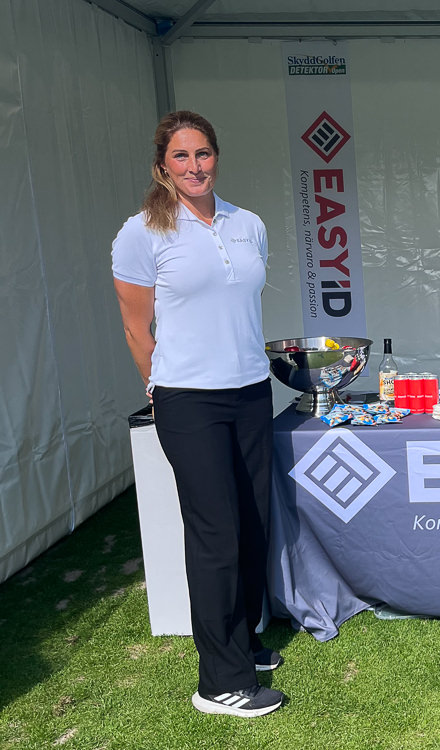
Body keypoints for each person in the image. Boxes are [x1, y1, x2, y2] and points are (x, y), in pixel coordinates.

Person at [112, 111, 284, 716]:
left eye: (203, 153)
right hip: (188, 399)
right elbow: (137, 329)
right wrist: (158, 391)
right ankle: (220, 683)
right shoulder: (141, 233)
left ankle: (244, 643)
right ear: (162, 166)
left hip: (250, 391)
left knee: (253, 525)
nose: (194, 166)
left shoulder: (247, 224)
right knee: (216, 536)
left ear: (216, 157)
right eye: (181, 156)